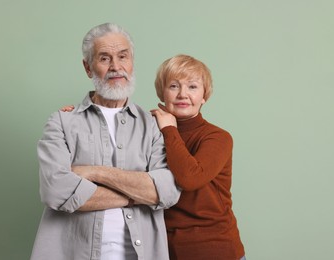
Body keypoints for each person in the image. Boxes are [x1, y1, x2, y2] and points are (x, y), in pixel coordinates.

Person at [30, 23, 181, 260]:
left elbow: (167, 190)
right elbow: (55, 190)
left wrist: (94, 173)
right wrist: (138, 195)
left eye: (123, 56)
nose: (116, 67)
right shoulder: (62, 121)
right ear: (88, 67)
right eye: (104, 58)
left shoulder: (153, 124)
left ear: (132, 62)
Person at [150, 54, 245, 260]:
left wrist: (169, 129)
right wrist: (73, 117)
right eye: (174, 86)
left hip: (213, 249)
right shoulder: (149, 129)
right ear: (162, 92)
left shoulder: (218, 137)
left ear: (204, 96)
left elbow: (190, 178)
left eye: (192, 87)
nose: (183, 94)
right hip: (164, 249)